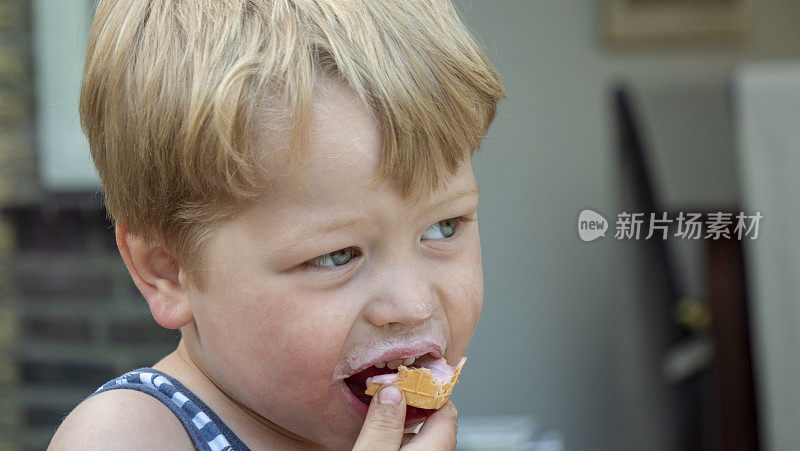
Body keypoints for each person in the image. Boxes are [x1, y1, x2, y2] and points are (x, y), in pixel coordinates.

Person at [49, 0, 503, 449]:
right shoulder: (128, 436)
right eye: (335, 256)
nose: (414, 304)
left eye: (443, 227)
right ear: (169, 270)